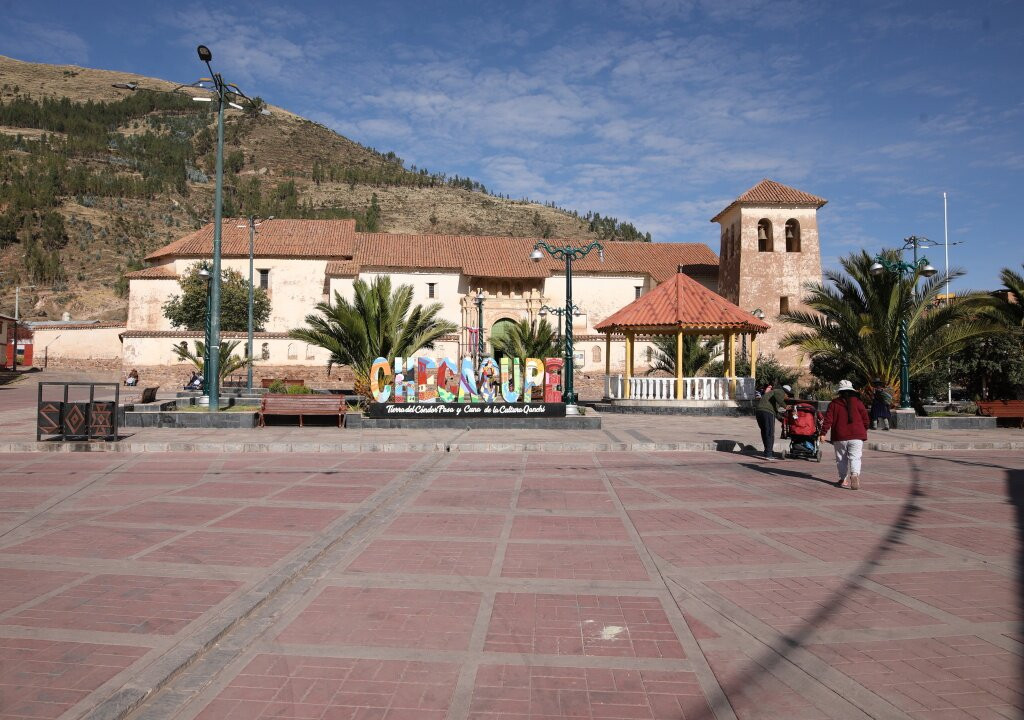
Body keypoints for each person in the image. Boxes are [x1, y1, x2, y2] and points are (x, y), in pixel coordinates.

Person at [819, 379, 870, 489]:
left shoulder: (834, 404)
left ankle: (843, 479)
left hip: (840, 436)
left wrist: (823, 433)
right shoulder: (858, 402)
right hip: (857, 435)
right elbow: (866, 419)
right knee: (855, 457)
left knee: (841, 458)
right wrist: (863, 430)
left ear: (839, 391)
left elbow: (828, 420)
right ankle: (855, 474)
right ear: (852, 391)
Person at [754, 382, 790, 461]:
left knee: (765, 432)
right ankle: (768, 454)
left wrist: (782, 420)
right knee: (770, 433)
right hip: (767, 412)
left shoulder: (772, 395)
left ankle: (767, 451)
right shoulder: (780, 391)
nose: (787, 398)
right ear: (786, 393)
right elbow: (778, 397)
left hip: (759, 412)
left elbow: (775, 412)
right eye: (788, 396)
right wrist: (785, 406)